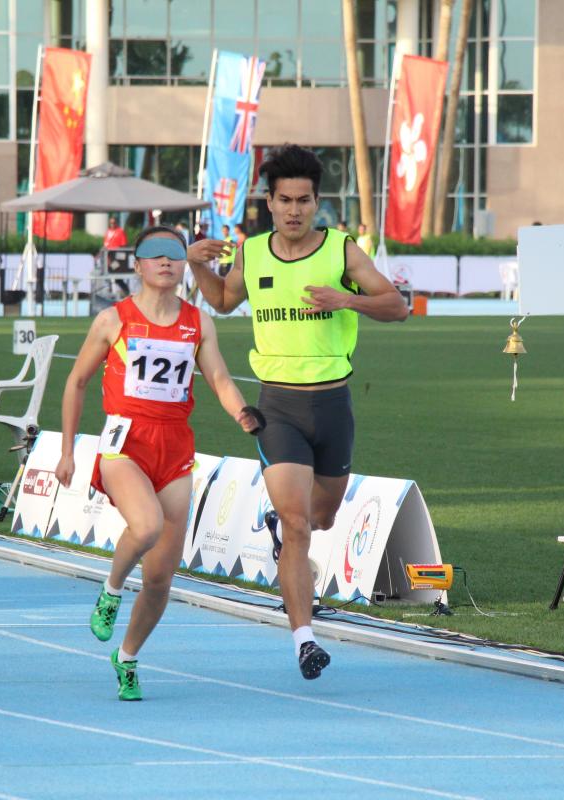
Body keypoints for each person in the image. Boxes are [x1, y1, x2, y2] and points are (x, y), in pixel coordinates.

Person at [185, 144, 408, 680]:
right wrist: (196, 267)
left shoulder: (342, 251)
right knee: (296, 521)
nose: (293, 211)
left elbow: (398, 306)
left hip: (333, 405)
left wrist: (346, 300)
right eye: (283, 200)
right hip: (277, 406)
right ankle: (305, 640)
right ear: (268, 201)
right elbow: (221, 300)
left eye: (303, 201)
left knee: (322, 517)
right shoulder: (252, 251)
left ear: (317, 203)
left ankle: (288, 538)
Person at [56, 225, 262, 701]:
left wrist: (243, 413)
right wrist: (67, 451)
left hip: (174, 448)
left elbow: (220, 379)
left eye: (174, 254)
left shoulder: (197, 322)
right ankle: (109, 591)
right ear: (138, 265)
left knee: (159, 577)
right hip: (125, 443)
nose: (166, 262)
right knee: (145, 527)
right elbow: (77, 382)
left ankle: (127, 655)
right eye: (155, 255)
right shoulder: (113, 320)